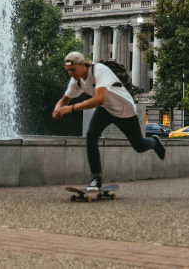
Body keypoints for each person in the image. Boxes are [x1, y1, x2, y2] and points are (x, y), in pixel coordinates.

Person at [52, 51, 166, 191]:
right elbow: (64, 99)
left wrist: (71, 108)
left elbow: (99, 98)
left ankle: (154, 142)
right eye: (68, 70)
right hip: (106, 109)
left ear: (82, 65)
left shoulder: (99, 70)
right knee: (91, 136)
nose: (71, 73)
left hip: (125, 110)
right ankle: (96, 178)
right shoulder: (76, 81)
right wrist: (57, 109)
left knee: (139, 145)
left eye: (73, 70)